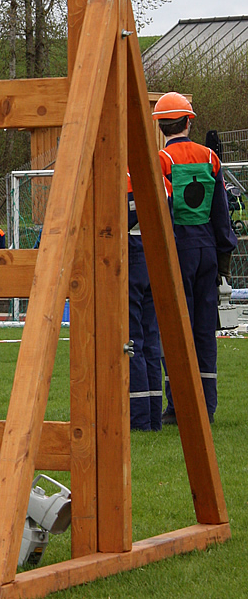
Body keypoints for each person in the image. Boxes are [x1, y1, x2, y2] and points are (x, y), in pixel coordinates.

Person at [153, 93, 237, 425]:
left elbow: (163, 212)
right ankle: (207, 405)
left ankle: (179, 406)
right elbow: (222, 216)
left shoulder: (160, 161)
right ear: (189, 122)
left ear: (161, 126)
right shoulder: (211, 158)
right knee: (205, 330)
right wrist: (222, 259)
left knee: (176, 330)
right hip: (207, 251)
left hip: (178, 249)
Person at [127, 173, 162, 431]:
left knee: (132, 340)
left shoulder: (117, 178)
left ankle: (138, 419)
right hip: (153, 257)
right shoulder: (155, 177)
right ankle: (153, 416)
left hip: (129, 258)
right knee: (150, 340)